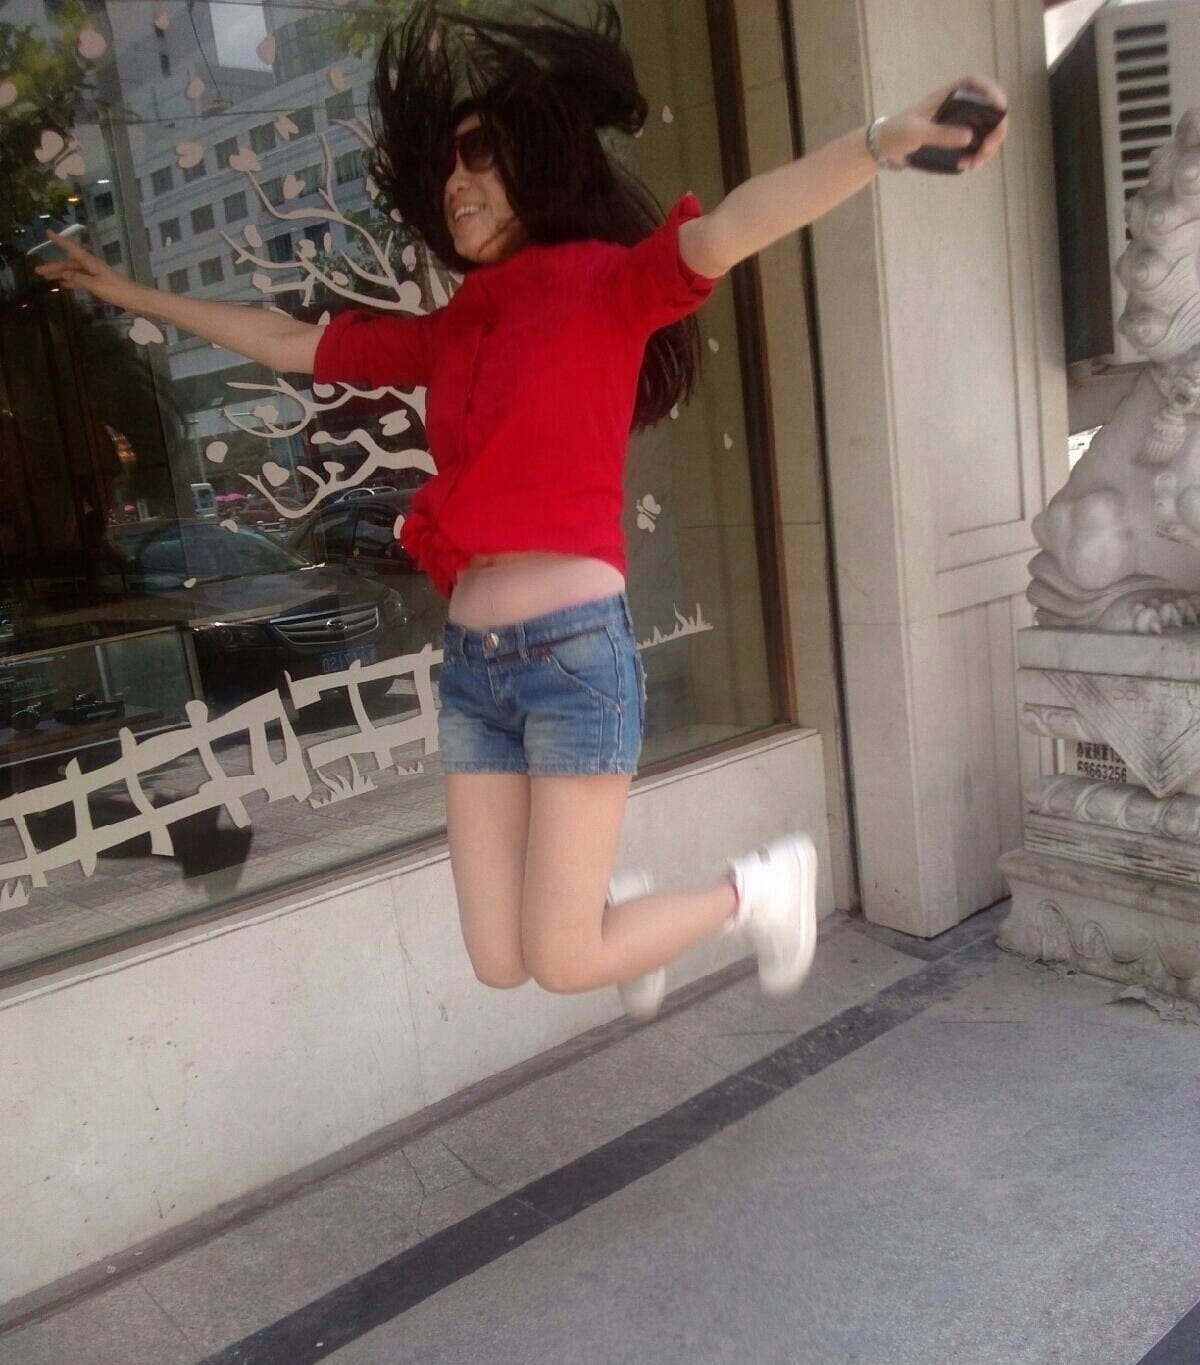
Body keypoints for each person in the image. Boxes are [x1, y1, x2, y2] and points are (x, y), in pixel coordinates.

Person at [37, 3, 1007, 1023]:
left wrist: (884, 141)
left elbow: (740, 222)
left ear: (536, 166)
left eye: (481, 157)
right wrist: (127, 293)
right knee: (502, 962)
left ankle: (757, 890)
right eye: (446, 166)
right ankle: (622, 908)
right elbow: (287, 342)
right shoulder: (456, 325)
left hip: (575, 657)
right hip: (474, 672)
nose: (456, 182)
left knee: (564, 957)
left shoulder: (607, 284)